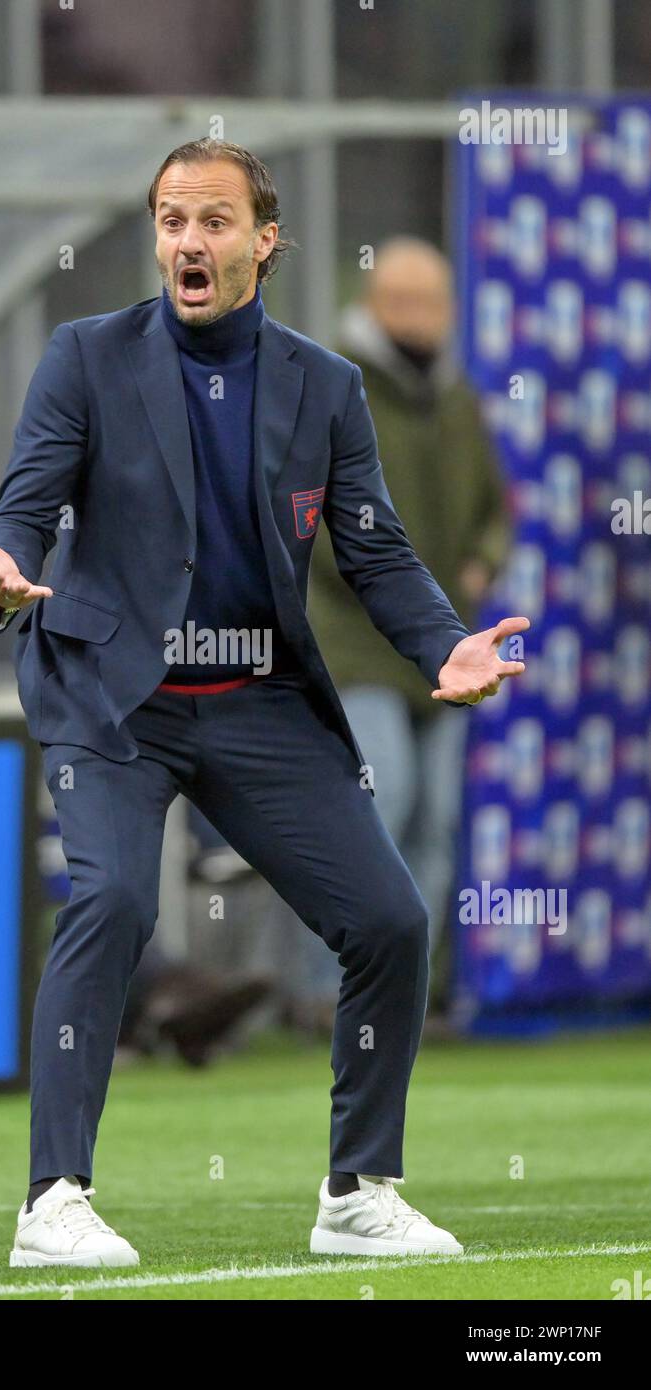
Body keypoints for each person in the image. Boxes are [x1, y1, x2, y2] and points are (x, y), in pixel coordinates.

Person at [0, 139, 528, 1267]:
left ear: (262, 241)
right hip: (111, 694)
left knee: (391, 921)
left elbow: (376, 553)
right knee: (113, 902)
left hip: (255, 693)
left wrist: (442, 647)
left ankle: (357, 1190)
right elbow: (21, 509)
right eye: (170, 220)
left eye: (212, 222)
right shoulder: (85, 357)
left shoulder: (325, 384)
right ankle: (51, 1199)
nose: (186, 242)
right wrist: (7, 573)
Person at [302, 238, 512, 999]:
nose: (420, 317)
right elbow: (309, 519)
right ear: (374, 302)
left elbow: (495, 507)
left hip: (450, 646)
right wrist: (384, 586)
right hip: (355, 641)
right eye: (404, 300)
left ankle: (406, 995)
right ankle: (329, 990)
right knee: (375, 803)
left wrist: (483, 560)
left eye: (433, 301)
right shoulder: (332, 382)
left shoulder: (457, 397)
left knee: (437, 819)